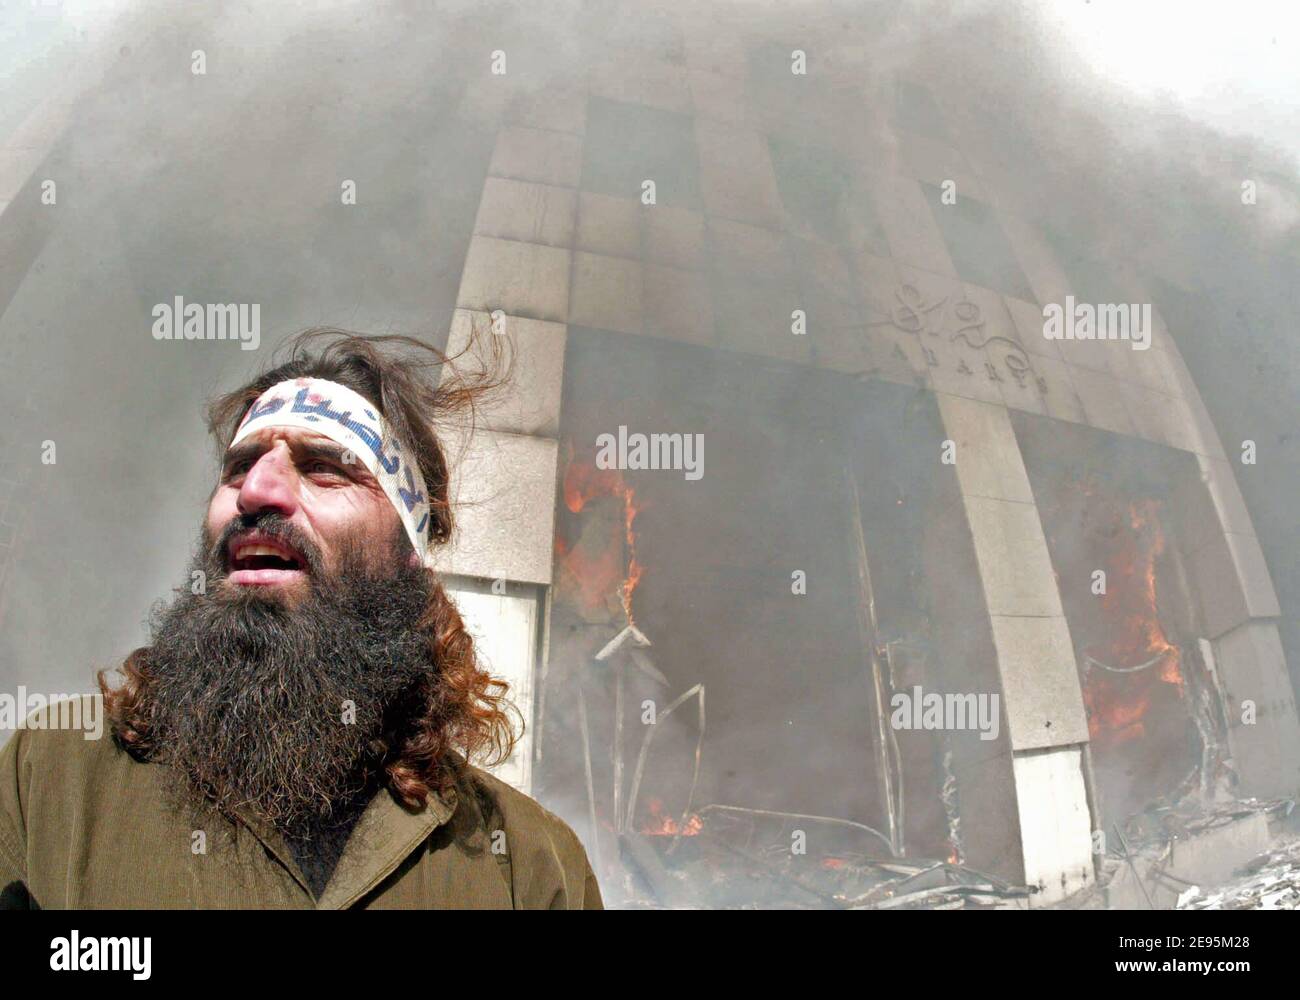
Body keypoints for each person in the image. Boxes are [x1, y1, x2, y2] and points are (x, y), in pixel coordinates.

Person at [0, 330, 602, 909]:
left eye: (324, 468)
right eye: (238, 467)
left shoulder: (530, 872)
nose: (256, 490)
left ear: (406, 556)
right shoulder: (49, 784)